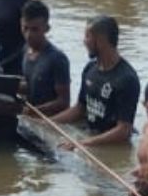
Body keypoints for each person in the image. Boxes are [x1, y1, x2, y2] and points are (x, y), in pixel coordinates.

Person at [51, 15, 140, 147]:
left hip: (111, 144)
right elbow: (79, 109)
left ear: (101, 40)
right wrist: (48, 123)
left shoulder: (127, 79)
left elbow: (124, 130)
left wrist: (83, 144)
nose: (84, 41)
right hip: (91, 135)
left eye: (87, 36)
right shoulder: (90, 68)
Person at [19, 0, 71, 116]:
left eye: (34, 29)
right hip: (28, 116)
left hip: (49, 122)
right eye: (25, 28)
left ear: (47, 28)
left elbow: (63, 102)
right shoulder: (26, 49)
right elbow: (29, 84)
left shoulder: (57, 59)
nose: (28, 35)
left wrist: (32, 111)